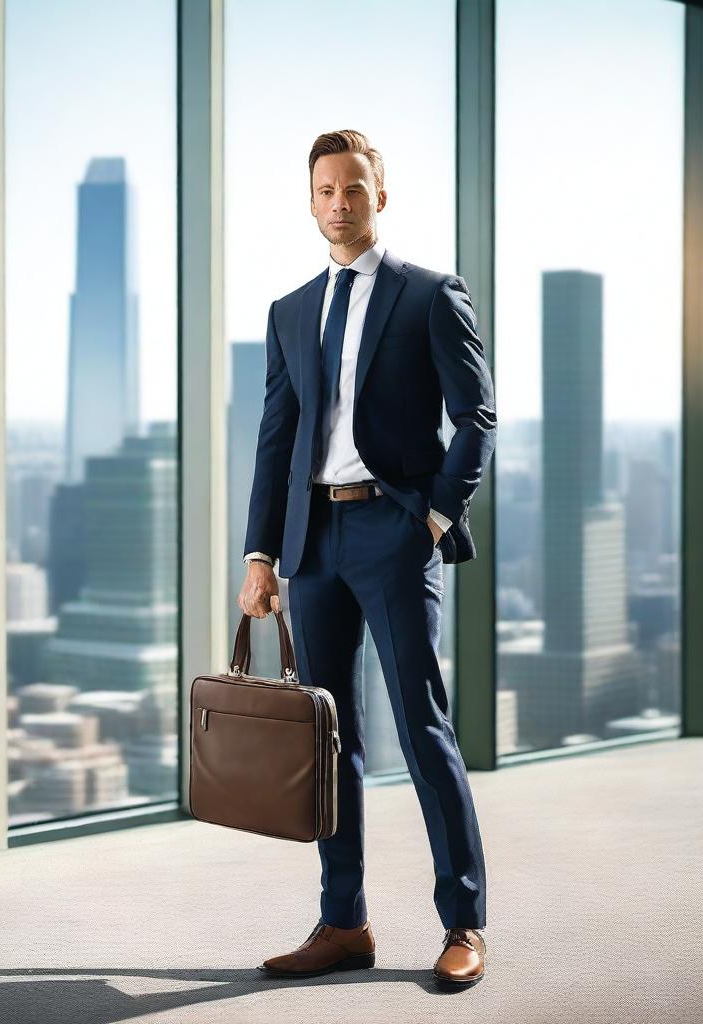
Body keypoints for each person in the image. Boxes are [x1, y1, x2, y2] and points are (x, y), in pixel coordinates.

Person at [238, 129, 496, 988]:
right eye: (324, 190)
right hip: (311, 547)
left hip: (392, 534)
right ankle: (343, 922)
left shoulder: (428, 295)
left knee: (424, 729)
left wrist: (429, 519)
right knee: (327, 742)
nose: (338, 203)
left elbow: (478, 420)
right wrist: (261, 554)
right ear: (310, 202)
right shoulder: (288, 311)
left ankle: (464, 922)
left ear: (378, 195)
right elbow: (276, 442)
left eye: (353, 187)